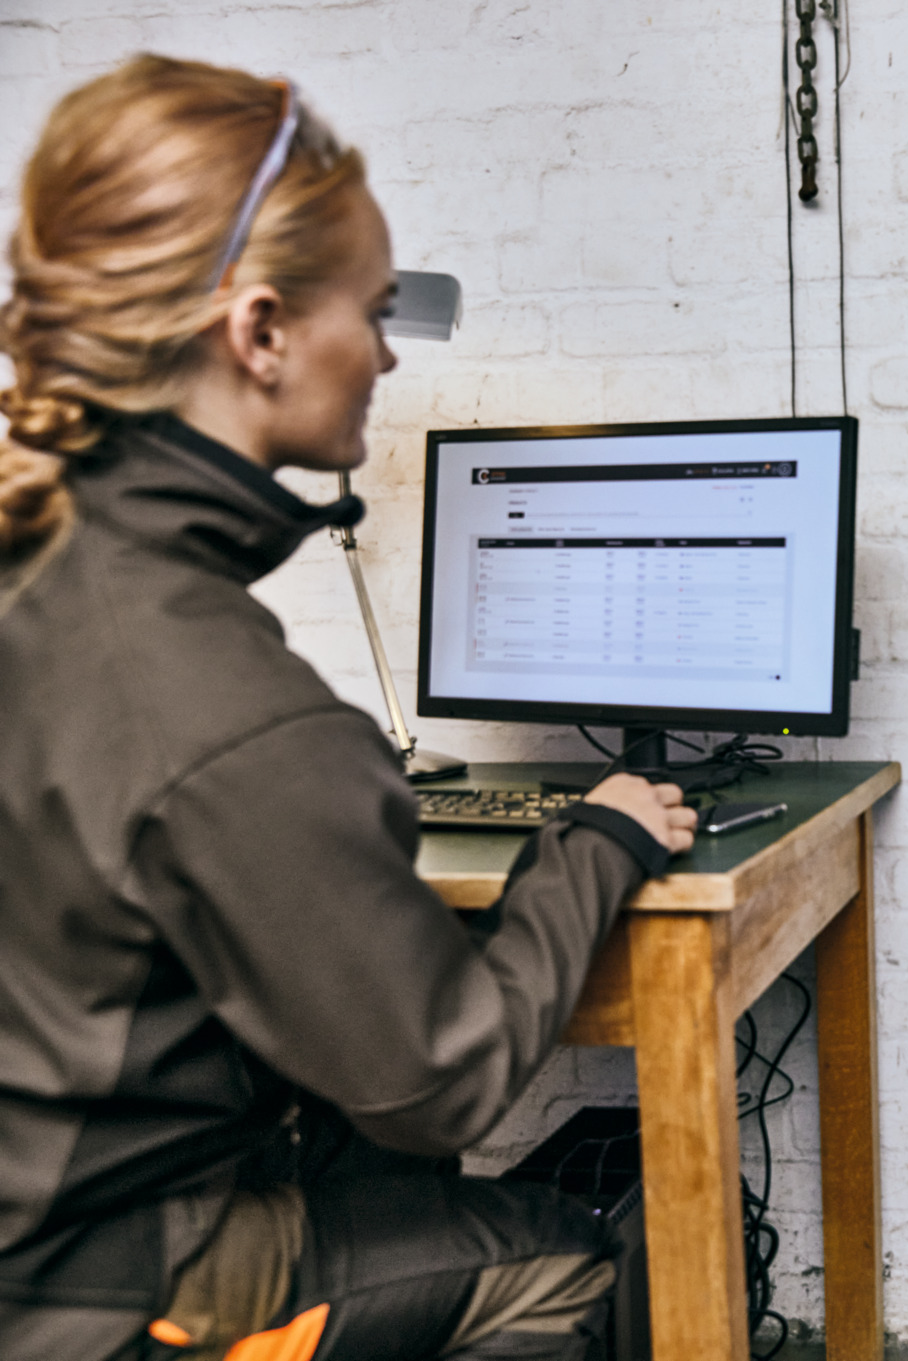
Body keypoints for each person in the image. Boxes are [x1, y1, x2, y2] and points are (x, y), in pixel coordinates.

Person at [0, 58, 696, 1360]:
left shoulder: (45, 564)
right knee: (564, 1259)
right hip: (86, 1285)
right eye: (372, 312)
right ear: (259, 332)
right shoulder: (230, 711)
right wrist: (595, 841)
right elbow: (445, 1081)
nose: (385, 352)